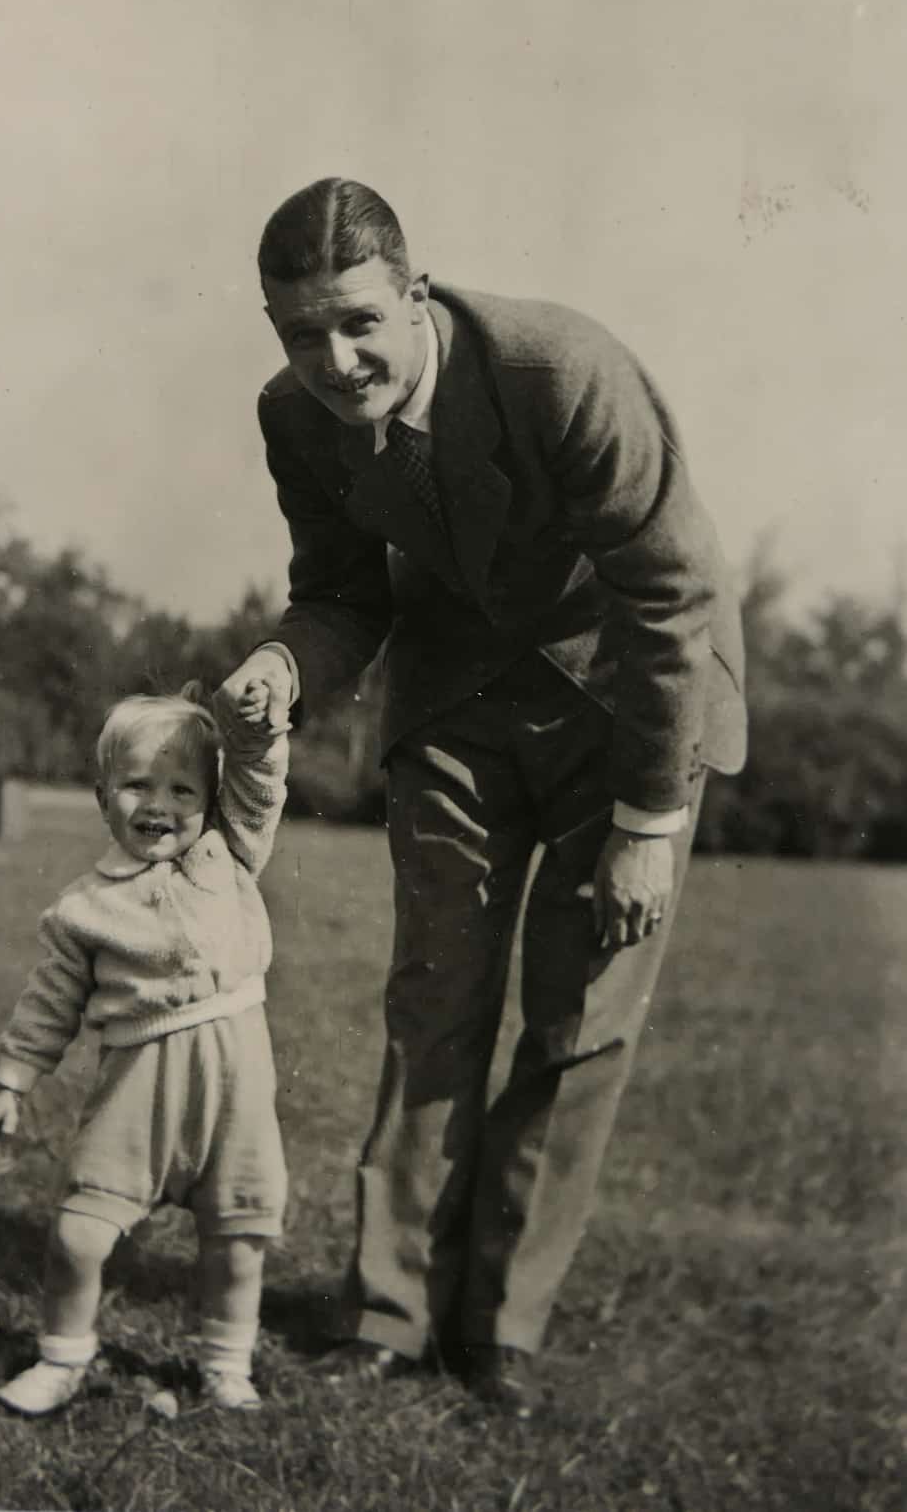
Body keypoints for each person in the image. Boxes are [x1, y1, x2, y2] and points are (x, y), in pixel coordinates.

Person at [218, 177, 747, 1417]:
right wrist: (281, 664)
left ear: (414, 292)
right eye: (300, 333)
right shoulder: (295, 419)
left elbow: (670, 597)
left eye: (357, 321)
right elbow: (345, 596)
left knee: (579, 1018)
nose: (335, 361)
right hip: (457, 706)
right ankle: (388, 1313)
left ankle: (497, 1327)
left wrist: (646, 824)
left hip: (629, 703)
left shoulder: (557, 366)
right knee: (433, 998)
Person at [0, 681, 288, 1416]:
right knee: (80, 1233)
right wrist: (12, 1082)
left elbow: (260, 782)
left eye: (183, 789)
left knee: (240, 1233)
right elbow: (49, 1002)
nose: (160, 805)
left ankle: (226, 1365)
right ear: (101, 794)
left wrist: (262, 731)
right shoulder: (85, 907)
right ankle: (62, 1356)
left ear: (211, 802)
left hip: (235, 1087)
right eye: (137, 785)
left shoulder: (230, 851)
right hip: (136, 1091)